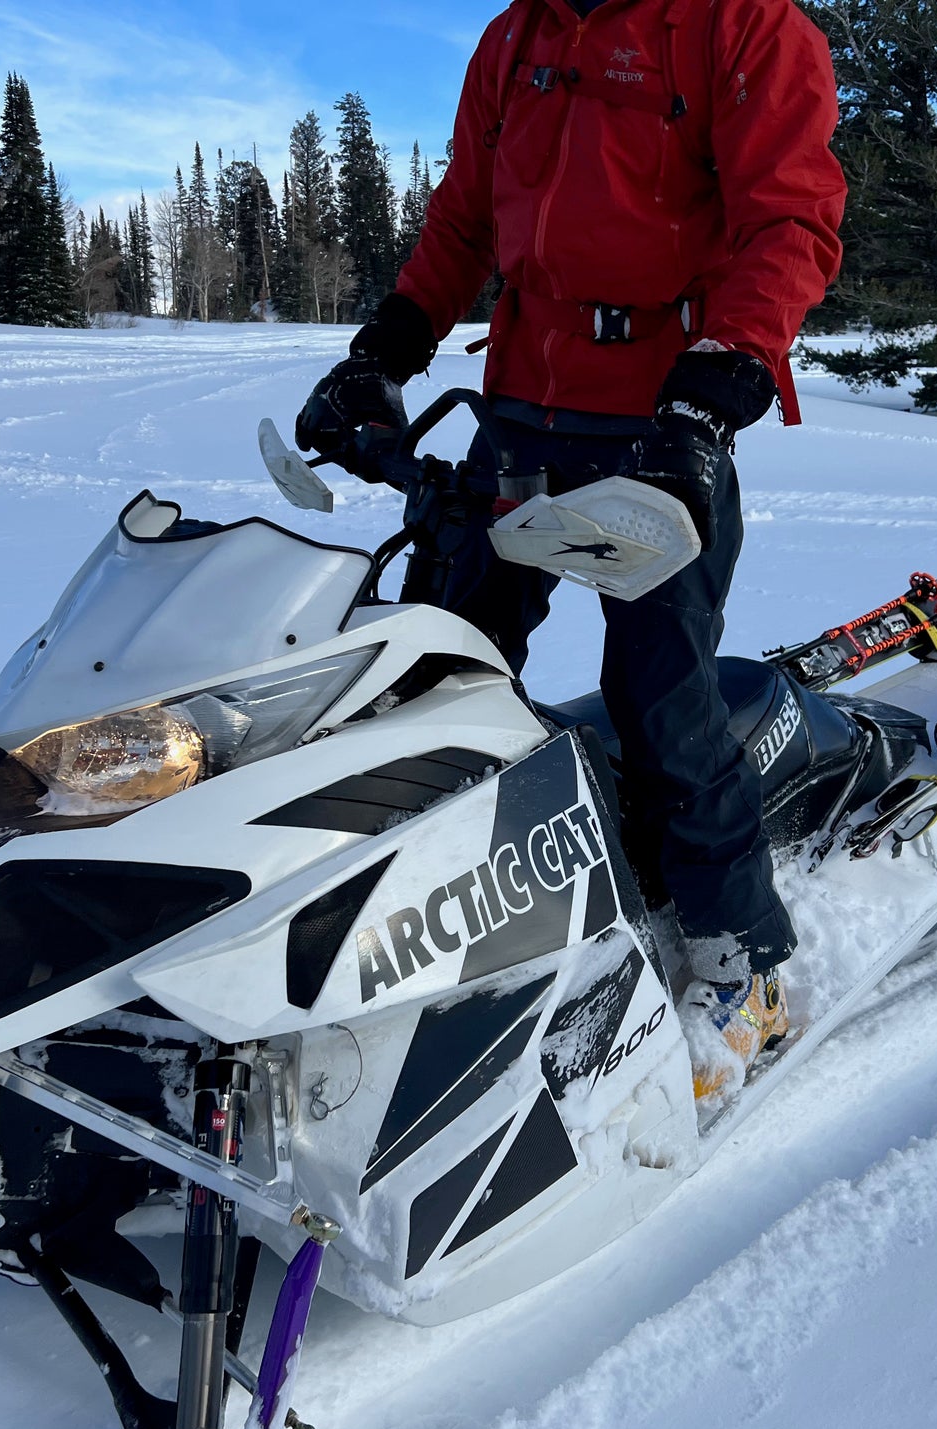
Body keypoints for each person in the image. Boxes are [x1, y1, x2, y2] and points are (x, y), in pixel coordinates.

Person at [295, 0, 845, 1110]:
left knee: (658, 695)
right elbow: (464, 216)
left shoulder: (742, 27)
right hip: (515, 410)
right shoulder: (516, 39)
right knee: (428, 667)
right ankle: (415, 923)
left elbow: (788, 219)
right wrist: (387, 347)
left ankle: (742, 956)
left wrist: (725, 371)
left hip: (655, 423)